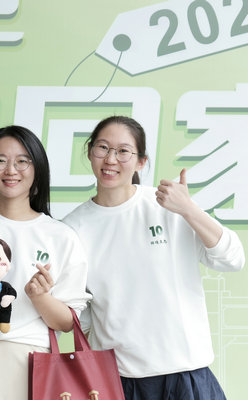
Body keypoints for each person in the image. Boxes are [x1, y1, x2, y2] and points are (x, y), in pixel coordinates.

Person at [62, 115, 245, 399]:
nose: (111, 159)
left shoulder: (168, 206)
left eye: (123, 151)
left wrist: (189, 209)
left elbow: (232, 258)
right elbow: (82, 316)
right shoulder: (73, 228)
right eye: (103, 147)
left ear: (141, 162)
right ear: (90, 152)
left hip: (187, 374)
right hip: (122, 380)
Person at [0, 125, 91, 399]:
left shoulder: (60, 236)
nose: (11, 170)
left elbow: (67, 323)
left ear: (37, 170)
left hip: (33, 363)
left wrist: (41, 298)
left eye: (22, 161)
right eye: (0, 160)